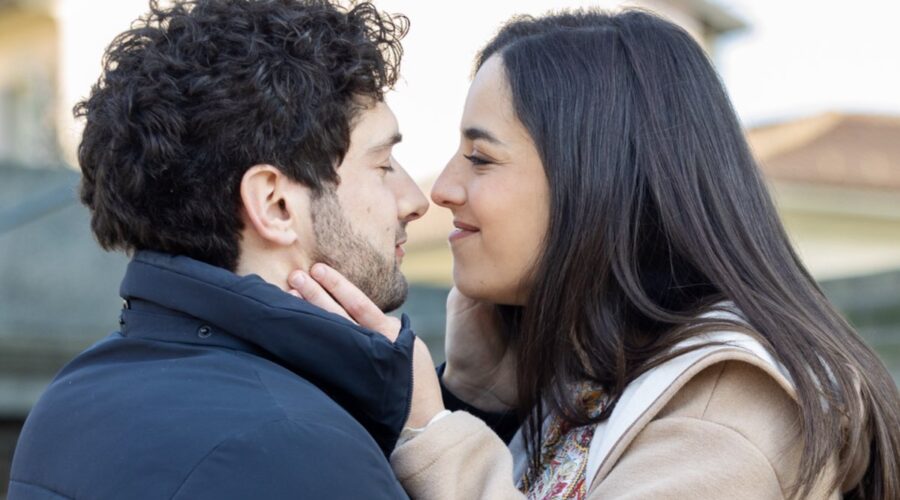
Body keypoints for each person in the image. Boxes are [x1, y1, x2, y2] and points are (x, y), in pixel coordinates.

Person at [291, 9, 900, 499]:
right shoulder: (599, 377)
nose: (441, 190)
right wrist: (479, 397)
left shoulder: (730, 405)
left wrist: (431, 426)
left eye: (480, 157)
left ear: (599, 180)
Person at [8, 1, 443, 498]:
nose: (415, 200)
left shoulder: (72, 397)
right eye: (384, 164)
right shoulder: (298, 448)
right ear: (275, 204)